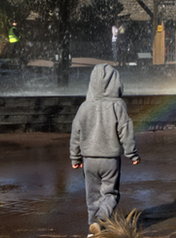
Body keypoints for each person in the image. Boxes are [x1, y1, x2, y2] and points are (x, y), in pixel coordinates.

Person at [70, 64, 141, 236]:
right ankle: (100, 219)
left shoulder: (84, 107)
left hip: (89, 159)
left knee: (92, 196)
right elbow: (125, 130)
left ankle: (92, 229)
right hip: (109, 159)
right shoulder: (118, 105)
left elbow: (75, 132)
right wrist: (132, 153)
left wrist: (75, 157)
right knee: (110, 194)